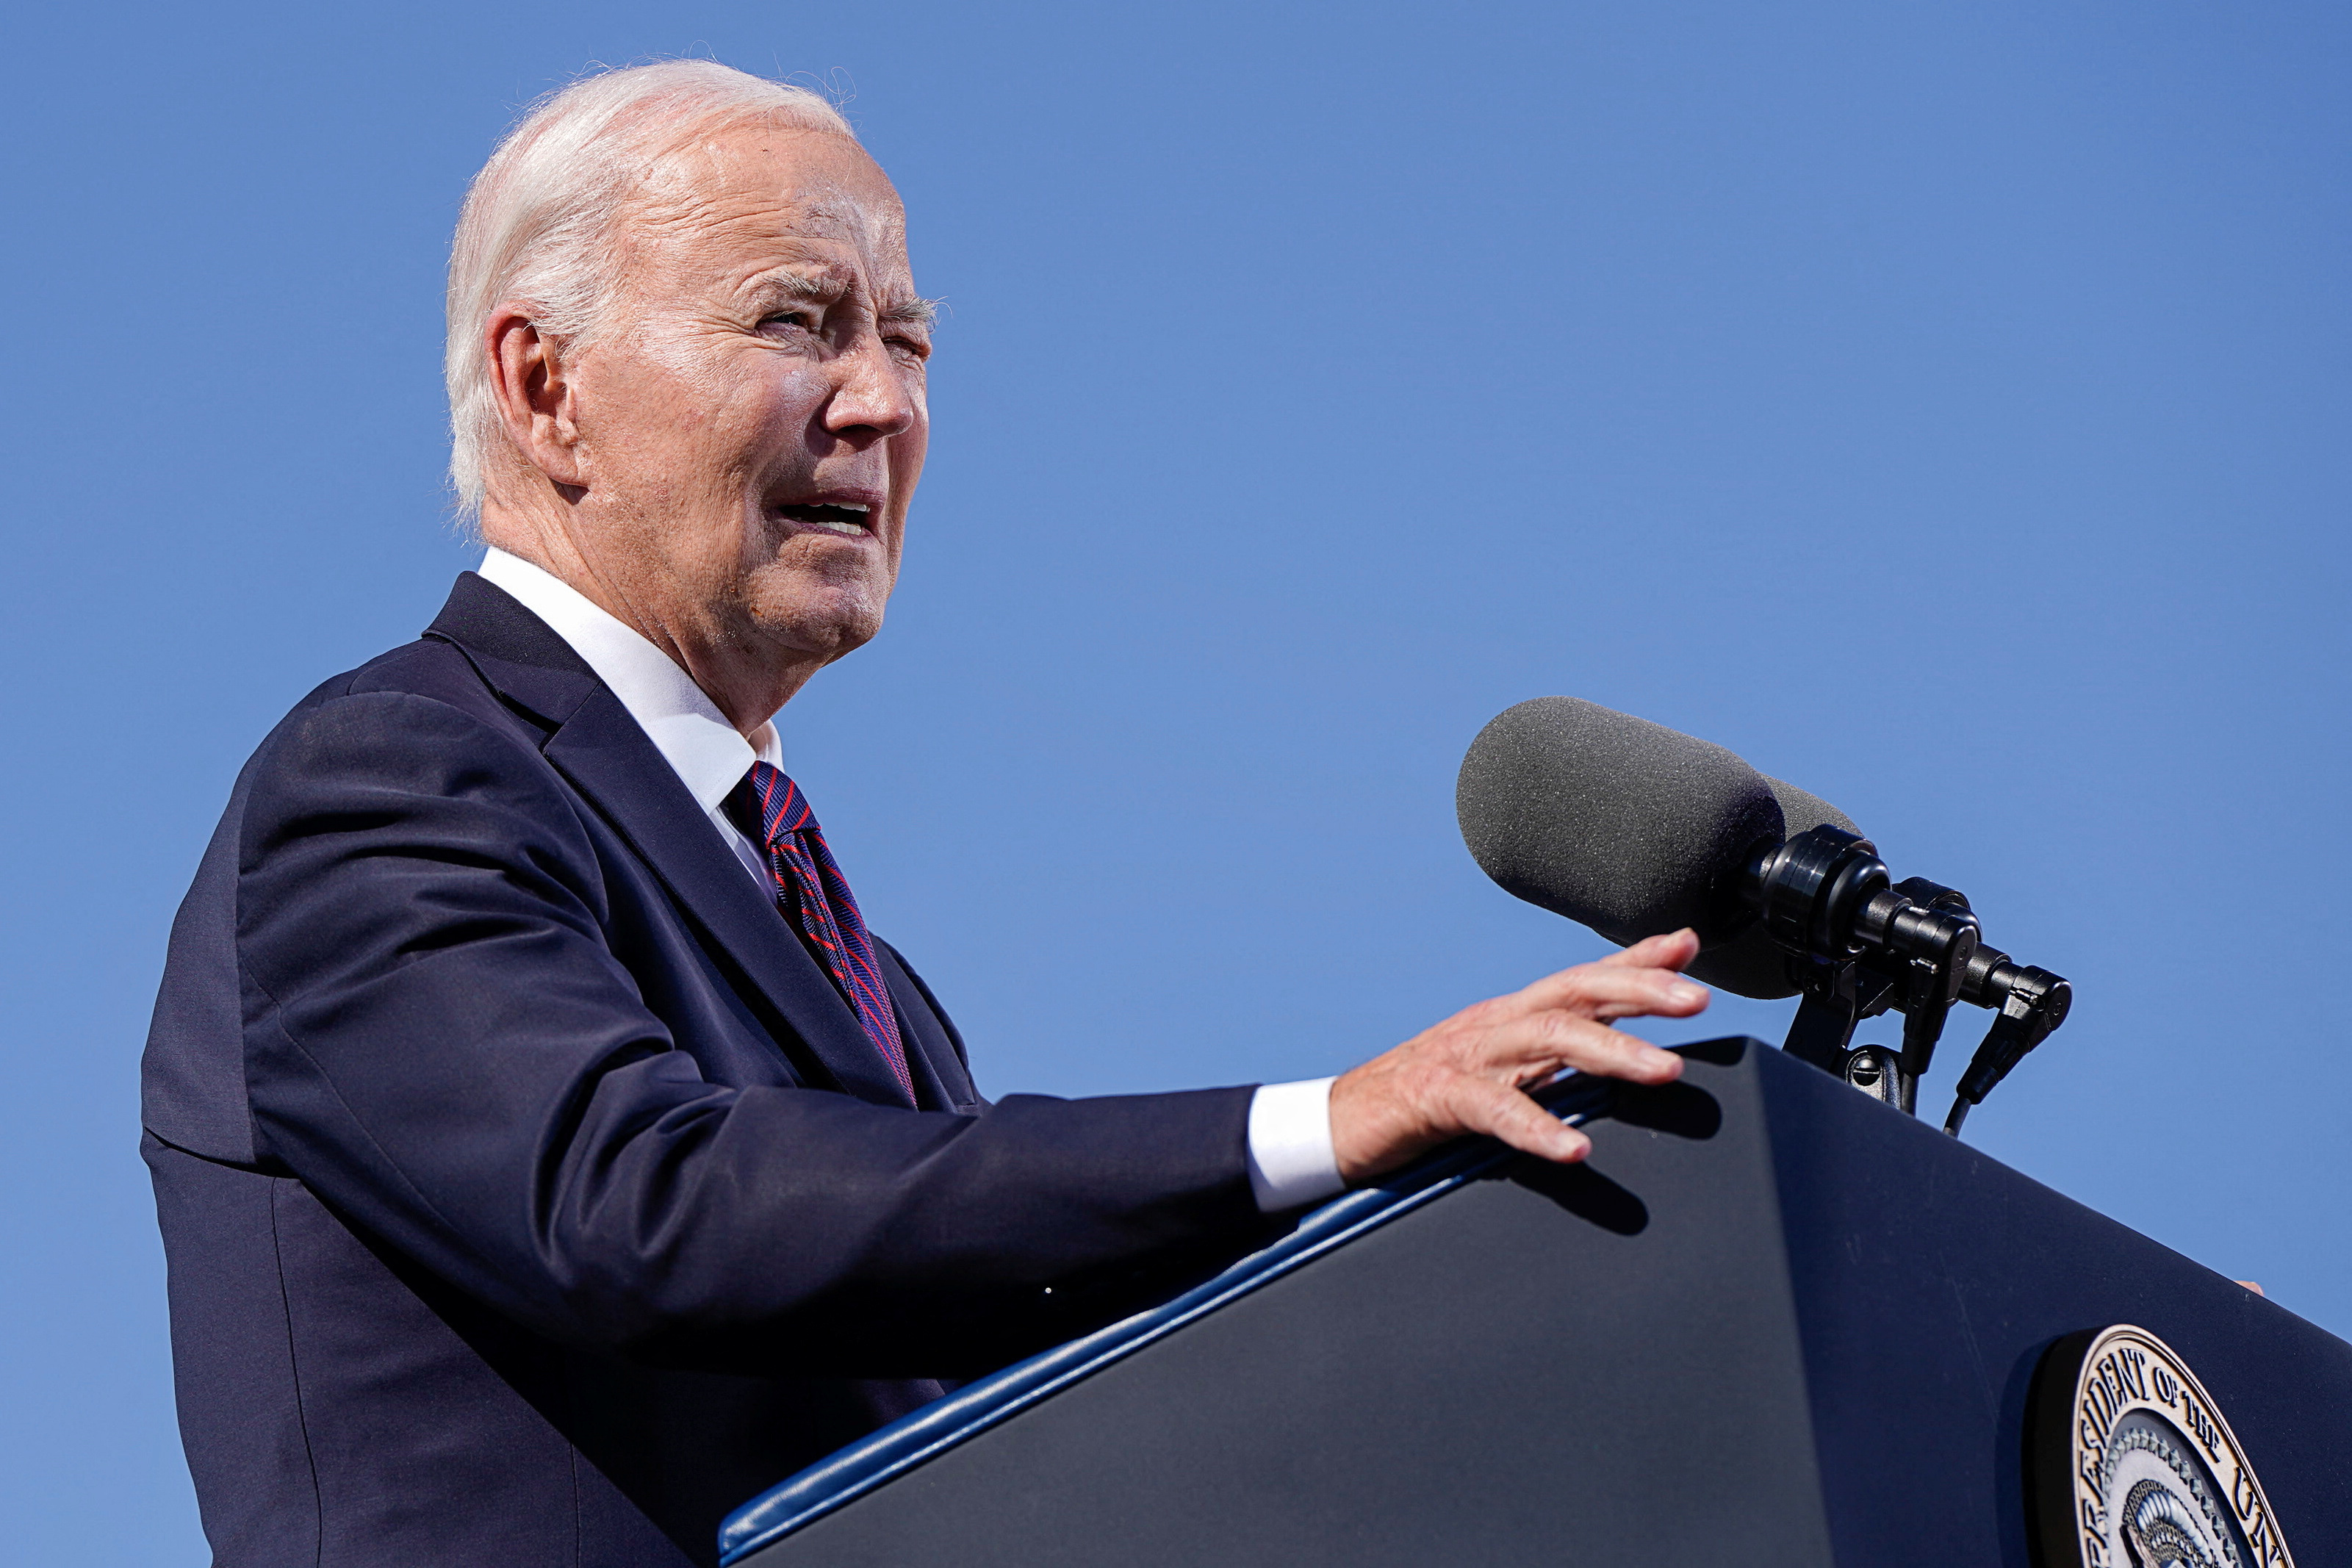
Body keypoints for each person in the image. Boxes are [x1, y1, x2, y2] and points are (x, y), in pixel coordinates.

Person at [140, 60, 1709, 1568]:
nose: (880, 404)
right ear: (546, 388)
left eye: (907, 338)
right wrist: (1318, 1122)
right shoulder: (395, 771)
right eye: (796, 324)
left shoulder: (879, 987)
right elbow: (640, 1201)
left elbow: (1007, 1371)